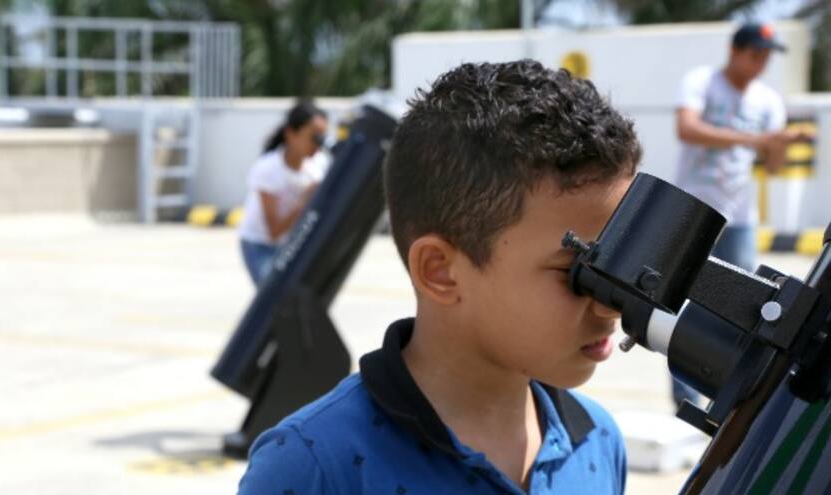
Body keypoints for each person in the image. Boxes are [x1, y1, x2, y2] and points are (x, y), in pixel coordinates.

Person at [237, 60, 642, 494]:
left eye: (617, 264)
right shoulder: (313, 466)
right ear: (440, 271)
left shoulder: (599, 441)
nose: (611, 303)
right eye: (574, 272)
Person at [671, 23, 803, 407]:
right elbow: (688, 128)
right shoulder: (702, 81)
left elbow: (773, 166)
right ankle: (685, 394)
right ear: (735, 50)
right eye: (755, 54)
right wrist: (756, 140)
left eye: (766, 57)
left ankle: (723, 385)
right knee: (684, 295)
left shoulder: (768, 100)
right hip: (698, 205)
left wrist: (778, 145)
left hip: (740, 213)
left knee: (744, 303)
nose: (761, 64)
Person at [238, 100, 329, 284]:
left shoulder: (319, 165)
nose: (317, 145)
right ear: (290, 134)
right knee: (273, 298)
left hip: (291, 244)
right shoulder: (268, 169)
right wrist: (305, 201)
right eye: (313, 137)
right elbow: (274, 232)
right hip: (260, 245)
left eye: (321, 137)